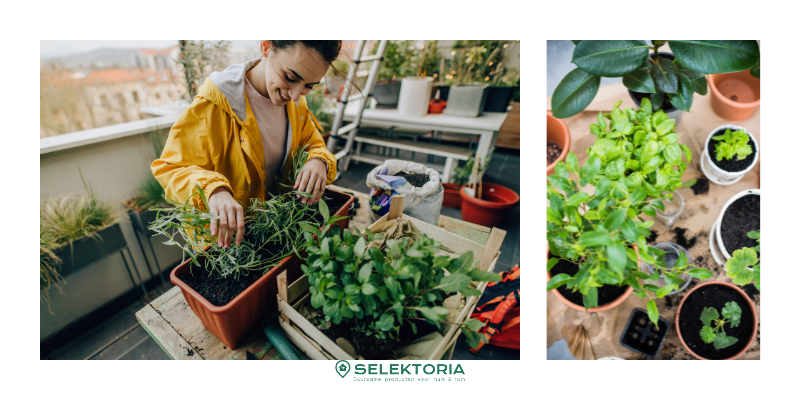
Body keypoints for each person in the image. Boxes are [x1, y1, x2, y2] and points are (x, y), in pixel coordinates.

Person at [152, 40, 349, 249]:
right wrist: (214, 190)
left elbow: (313, 144)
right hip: (228, 249)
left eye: (309, 86)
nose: (295, 94)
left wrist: (319, 160)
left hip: (275, 237)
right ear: (266, 47)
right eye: (290, 78)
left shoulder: (296, 105)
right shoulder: (214, 104)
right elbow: (171, 168)